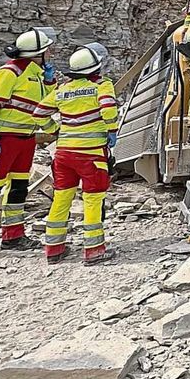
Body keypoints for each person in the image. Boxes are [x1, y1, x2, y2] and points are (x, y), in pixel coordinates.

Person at [0, 28, 59, 265]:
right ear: (38, 53)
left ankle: (13, 236)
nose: (51, 52)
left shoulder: (35, 73)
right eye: (47, 49)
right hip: (2, 140)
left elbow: (41, 105)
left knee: (18, 189)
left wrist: (49, 81)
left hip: (25, 139)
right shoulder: (9, 72)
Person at [36, 44, 118, 266]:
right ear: (95, 68)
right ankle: (94, 250)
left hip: (63, 154)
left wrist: (55, 132)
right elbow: (108, 108)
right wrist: (112, 130)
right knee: (92, 200)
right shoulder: (101, 85)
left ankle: (53, 249)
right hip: (91, 155)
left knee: (61, 199)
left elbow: (38, 113)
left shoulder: (62, 89)